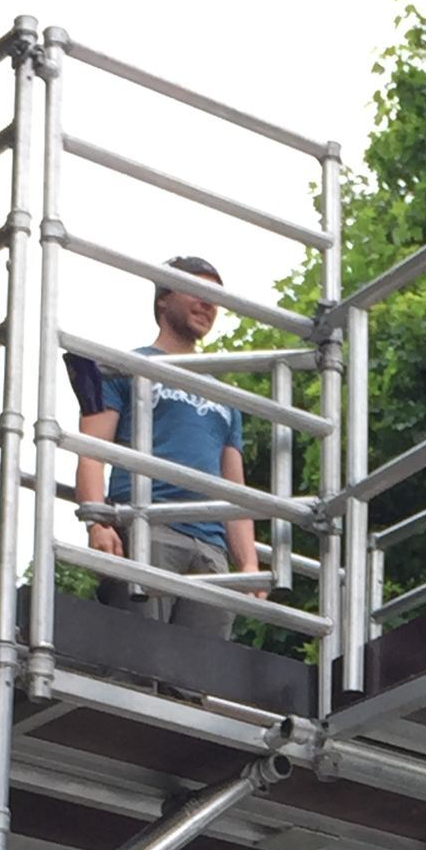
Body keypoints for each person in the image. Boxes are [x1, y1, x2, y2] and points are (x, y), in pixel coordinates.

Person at [69, 255, 260, 641]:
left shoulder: (225, 396)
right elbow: (90, 451)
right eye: (198, 290)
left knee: (199, 671)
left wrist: (249, 564)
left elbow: (234, 488)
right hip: (148, 526)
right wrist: (97, 522)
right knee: (139, 657)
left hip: (212, 549)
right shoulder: (125, 366)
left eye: (215, 298)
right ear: (163, 299)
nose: (208, 304)